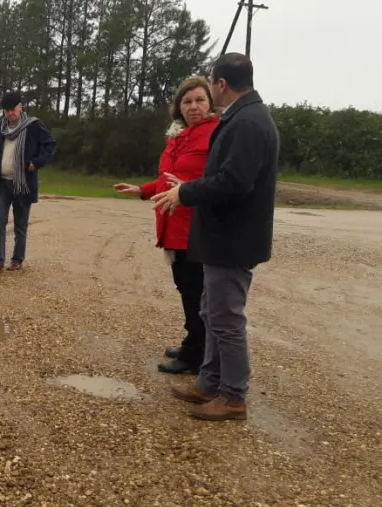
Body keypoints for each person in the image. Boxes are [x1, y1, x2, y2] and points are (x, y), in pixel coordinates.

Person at [151, 53, 280, 421]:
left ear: (221, 84)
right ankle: (209, 382)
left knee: (225, 318)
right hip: (220, 236)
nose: (207, 91)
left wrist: (186, 193)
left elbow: (234, 182)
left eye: (210, 83)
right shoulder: (241, 117)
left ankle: (233, 396)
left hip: (233, 238)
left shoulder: (250, 122)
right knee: (211, 310)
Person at [114, 76, 219, 375]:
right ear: (178, 107)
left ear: (210, 103)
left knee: (195, 292)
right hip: (172, 226)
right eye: (187, 101)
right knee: (186, 288)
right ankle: (194, 343)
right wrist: (143, 190)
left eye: (200, 100)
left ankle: (196, 355)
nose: (193, 106)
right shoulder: (176, 137)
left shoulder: (215, 133)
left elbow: (216, 180)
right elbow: (167, 179)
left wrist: (190, 189)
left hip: (196, 228)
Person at [0, 91, 57, 273]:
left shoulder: (33, 126)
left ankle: (17, 259)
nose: (10, 113)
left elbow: (51, 145)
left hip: (23, 183)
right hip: (2, 182)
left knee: (20, 224)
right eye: (6, 110)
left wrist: (36, 163)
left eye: (13, 109)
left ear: (20, 107)